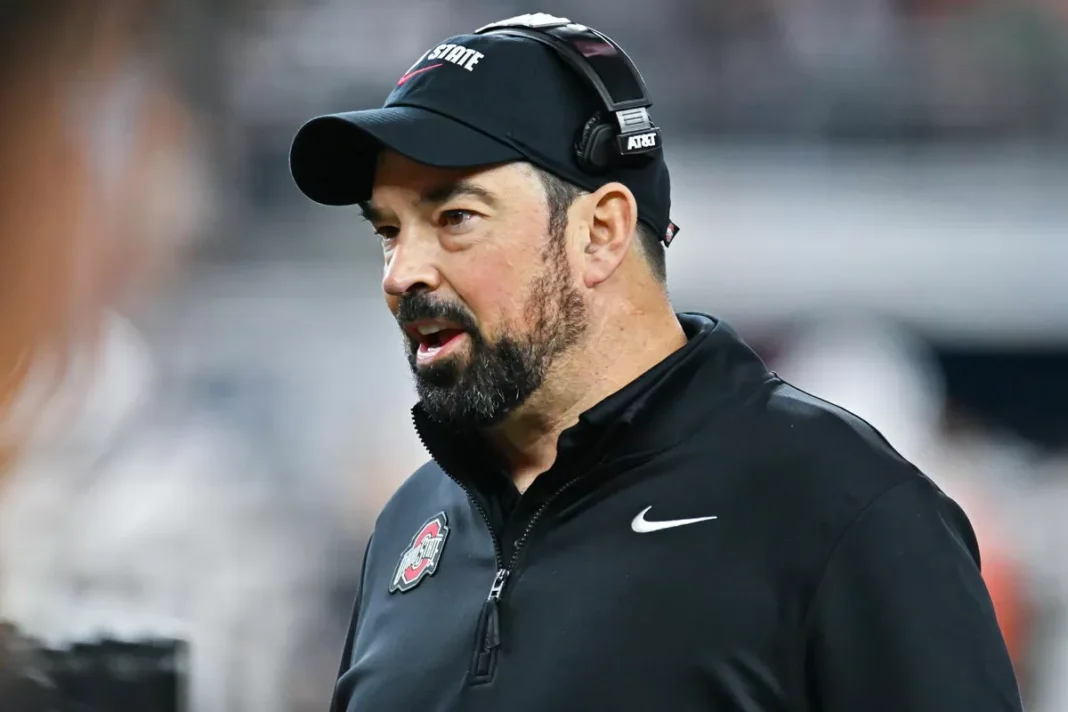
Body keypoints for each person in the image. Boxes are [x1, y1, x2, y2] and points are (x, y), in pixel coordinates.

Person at [288, 13, 1023, 712]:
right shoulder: (411, 527)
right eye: (389, 230)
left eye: (455, 218)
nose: (401, 273)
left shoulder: (841, 506)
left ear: (602, 231)